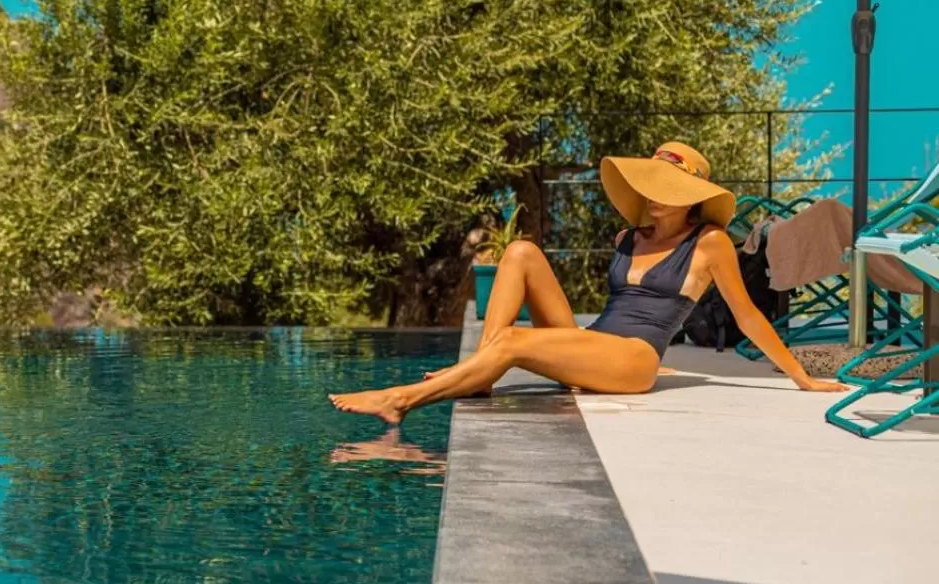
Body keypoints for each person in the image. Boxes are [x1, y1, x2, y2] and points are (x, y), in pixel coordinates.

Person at [329, 142, 847, 424]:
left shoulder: (708, 242)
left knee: (512, 342)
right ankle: (479, 374)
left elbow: (748, 315)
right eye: (653, 185)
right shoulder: (629, 235)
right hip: (598, 342)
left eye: (671, 188)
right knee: (521, 250)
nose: (657, 196)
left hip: (635, 358)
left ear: (692, 196)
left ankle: (400, 400)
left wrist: (800, 377)